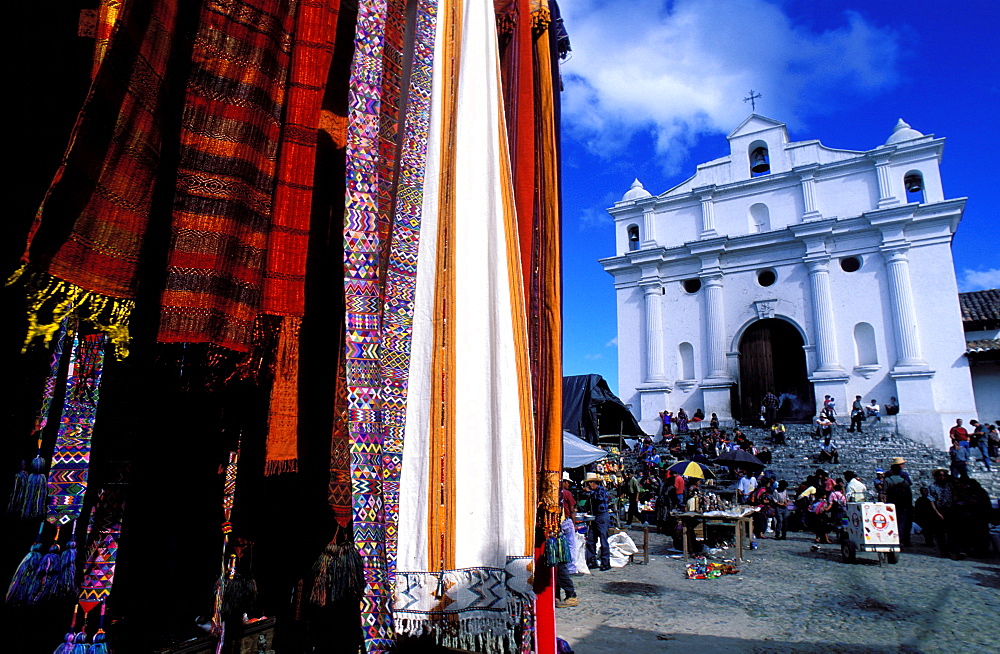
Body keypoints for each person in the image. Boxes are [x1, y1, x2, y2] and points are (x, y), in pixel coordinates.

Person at [556, 474, 578, 607]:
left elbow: (571, 510)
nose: (568, 484)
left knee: (560, 564)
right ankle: (558, 595)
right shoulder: (566, 493)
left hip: (560, 530)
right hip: (561, 528)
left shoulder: (563, 494)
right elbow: (572, 510)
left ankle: (570, 593)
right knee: (558, 565)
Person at [583, 473, 611, 571]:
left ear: (594, 482)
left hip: (602, 516)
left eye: (590, 482)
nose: (589, 485)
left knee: (603, 539)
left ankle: (605, 562)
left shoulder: (601, 490)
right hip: (594, 516)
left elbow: (600, 498)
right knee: (591, 540)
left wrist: (590, 492)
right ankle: (592, 560)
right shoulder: (592, 492)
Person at [881, 463, 913, 547]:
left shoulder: (887, 480)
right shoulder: (904, 482)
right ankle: (900, 539)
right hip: (903, 505)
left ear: (891, 471)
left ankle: (891, 539)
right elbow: (909, 495)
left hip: (890, 505)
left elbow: (883, 493)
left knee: (890, 523)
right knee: (901, 523)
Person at [926, 469, 953, 557]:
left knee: (950, 532)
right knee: (940, 533)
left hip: (949, 509)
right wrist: (937, 512)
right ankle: (943, 551)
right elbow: (931, 501)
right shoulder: (932, 486)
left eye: (943, 476)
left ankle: (950, 549)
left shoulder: (949, 485)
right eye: (940, 476)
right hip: (938, 510)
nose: (942, 477)